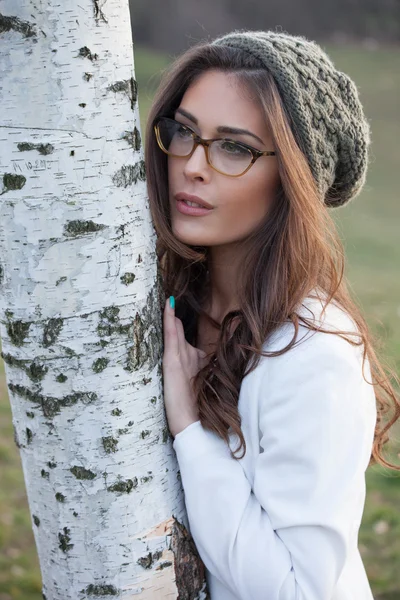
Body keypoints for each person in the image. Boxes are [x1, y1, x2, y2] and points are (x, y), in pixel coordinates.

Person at [144, 29, 400, 599]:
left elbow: (297, 591)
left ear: (294, 182)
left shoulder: (315, 353)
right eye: (183, 132)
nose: (192, 165)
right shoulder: (166, 301)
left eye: (234, 147)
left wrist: (189, 427)